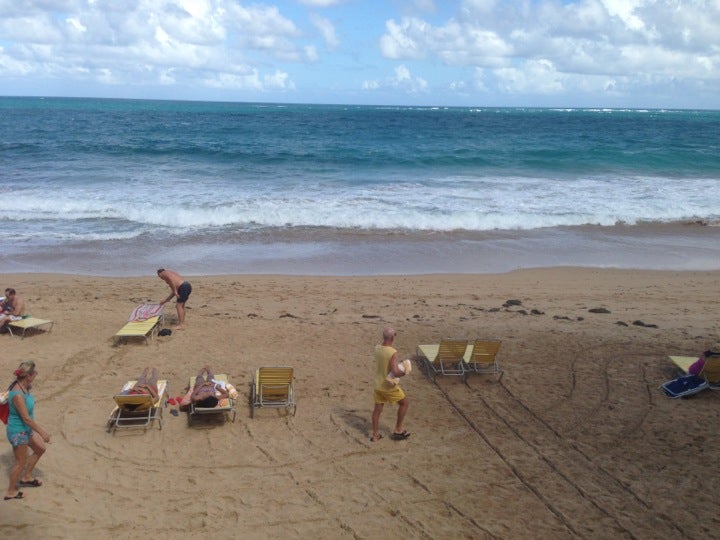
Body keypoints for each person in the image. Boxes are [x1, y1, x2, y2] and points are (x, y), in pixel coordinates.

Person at [5, 361, 51, 501]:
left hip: (25, 430)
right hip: (18, 431)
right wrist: (43, 433)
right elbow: (26, 418)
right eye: (34, 373)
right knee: (20, 463)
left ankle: (26, 477)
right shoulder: (18, 395)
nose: (36, 375)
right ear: (28, 376)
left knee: (40, 449)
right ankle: (11, 492)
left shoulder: (25, 386)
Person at [371, 327, 410, 442]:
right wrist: (405, 372)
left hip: (377, 384)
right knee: (404, 403)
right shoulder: (392, 352)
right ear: (392, 338)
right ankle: (398, 429)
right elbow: (395, 371)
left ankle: (375, 435)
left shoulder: (377, 348)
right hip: (388, 386)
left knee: (377, 410)